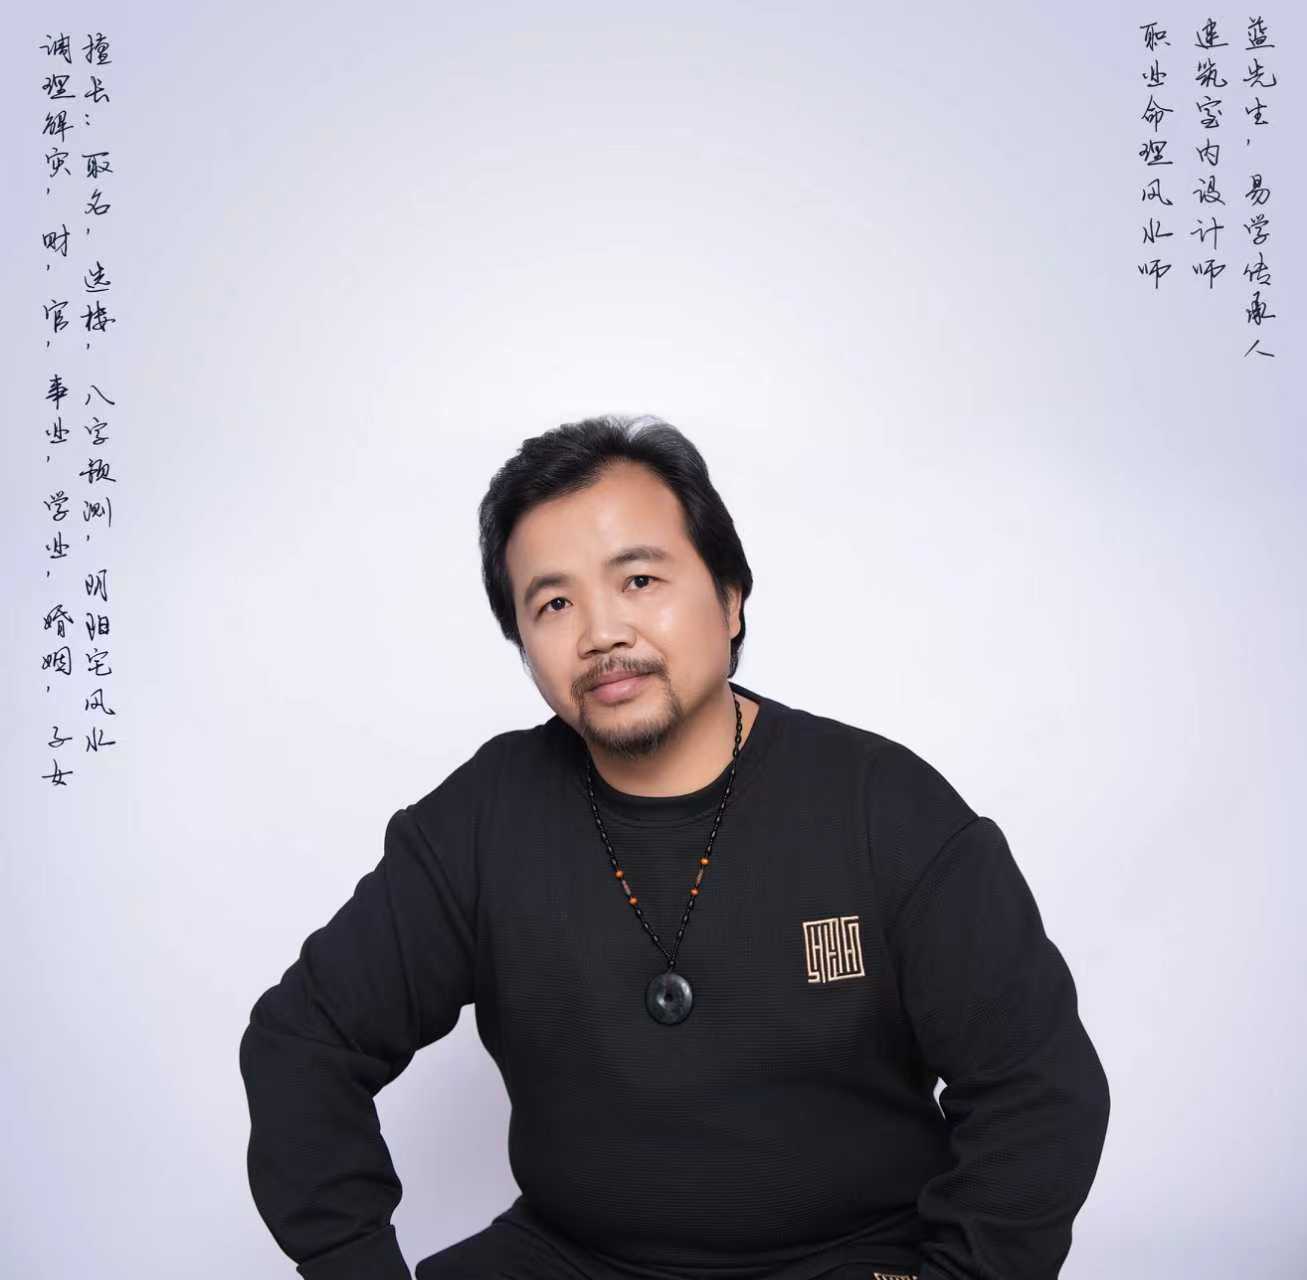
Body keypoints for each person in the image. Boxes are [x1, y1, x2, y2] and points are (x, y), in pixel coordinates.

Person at [239, 414, 1111, 1280]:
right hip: (571, 1257)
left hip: (849, 1257)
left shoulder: (883, 805)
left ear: (729, 599)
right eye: (553, 603)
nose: (601, 633)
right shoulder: (484, 815)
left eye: (639, 580)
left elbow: (1036, 1086)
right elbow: (304, 1041)